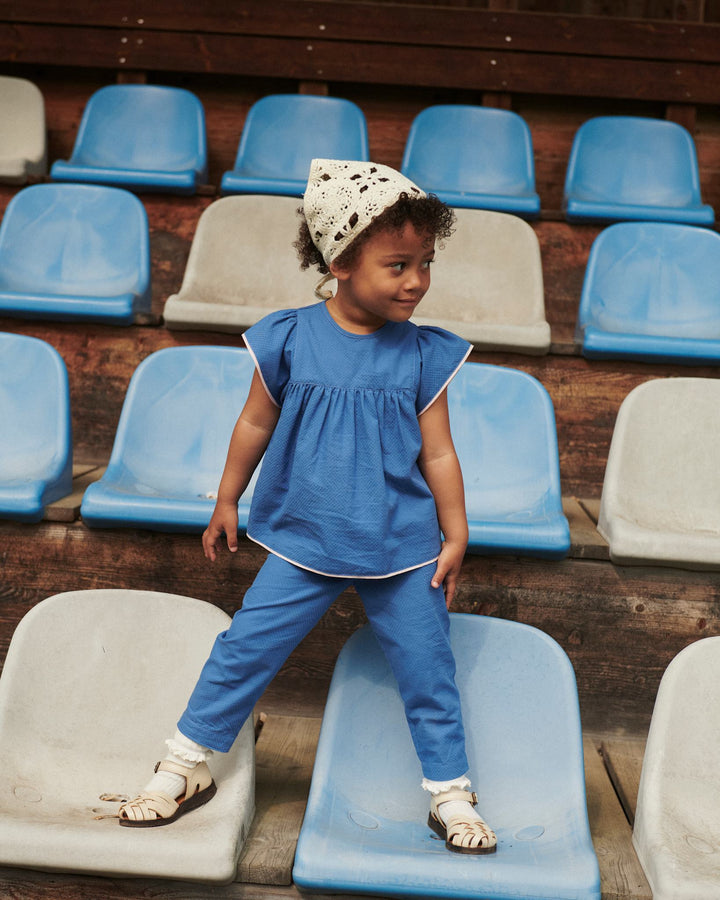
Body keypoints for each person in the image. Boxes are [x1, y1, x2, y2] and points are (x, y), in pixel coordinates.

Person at [114, 159, 497, 855]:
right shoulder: (288, 337)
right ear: (340, 261)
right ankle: (187, 762)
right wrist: (227, 496)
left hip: (402, 545)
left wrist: (455, 528)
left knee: (428, 670)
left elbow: (438, 453)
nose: (416, 281)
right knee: (242, 652)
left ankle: (450, 793)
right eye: (398, 264)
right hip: (302, 539)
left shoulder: (421, 355)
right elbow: (255, 423)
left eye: (426, 263)